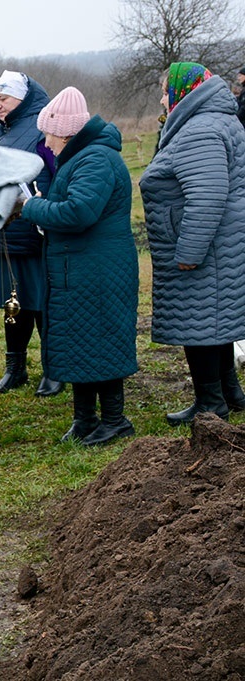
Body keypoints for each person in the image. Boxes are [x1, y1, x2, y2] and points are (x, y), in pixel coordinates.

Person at [20, 87, 139, 446]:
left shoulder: (96, 159)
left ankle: (115, 420)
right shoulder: (82, 157)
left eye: (48, 133)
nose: (45, 141)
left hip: (98, 271)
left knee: (102, 341)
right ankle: (85, 418)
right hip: (82, 270)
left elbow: (79, 212)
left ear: (64, 131)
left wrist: (31, 208)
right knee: (81, 343)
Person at [140, 63, 245, 425]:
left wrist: (188, 252)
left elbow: (207, 196)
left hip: (204, 248)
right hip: (222, 245)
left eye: (165, 90)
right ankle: (229, 393)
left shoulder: (200, 129)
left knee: (199, 324)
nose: (161, 98)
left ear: (182, 92)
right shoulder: (217, 120)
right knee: (216, 321)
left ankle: (210, 405)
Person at [0, 70, 62, 398]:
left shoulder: (43, 127)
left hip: (36, 232)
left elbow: (58, 173)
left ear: (22, 98)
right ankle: (15, 367)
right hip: (3, 233)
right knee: (13, 304)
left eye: (4, 98)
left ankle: (54, 368)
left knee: (42, 302)